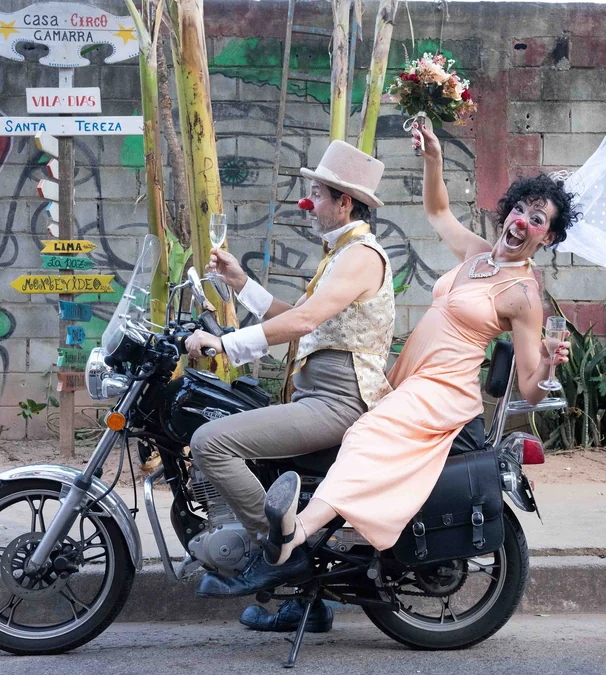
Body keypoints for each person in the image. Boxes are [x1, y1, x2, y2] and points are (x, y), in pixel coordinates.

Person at [239, 121, 573, 590]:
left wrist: (549, 364)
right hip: (409, 378)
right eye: (520, 208)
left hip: (443, 391)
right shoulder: (478, 256)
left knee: (362, 437)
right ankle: (307, 598)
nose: (521, 221)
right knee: (342, 453)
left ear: (548, 239)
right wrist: (433, 154)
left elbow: (528, 390)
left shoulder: (522, 294)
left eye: (537, 220)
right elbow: (438, 211)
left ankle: (293, 538)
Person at [184, 141, 396, 633]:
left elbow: (304, 318)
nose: (310, 203)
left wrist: (223, 344)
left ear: (344, 201)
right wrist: (240, 283)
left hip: (339, 400)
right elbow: (299, 320)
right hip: (316, 395)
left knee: (209, 442)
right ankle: (308, 602)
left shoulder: (360, 256)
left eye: (317, 194)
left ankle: (277, 554)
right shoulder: (341, 254)